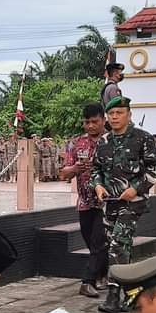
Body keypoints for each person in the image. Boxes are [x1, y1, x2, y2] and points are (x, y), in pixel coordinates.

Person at [91, 97, 156, 313]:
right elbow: (96, 170)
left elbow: (155, 169)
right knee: (120, 246)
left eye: (119, 113)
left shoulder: (142, 139)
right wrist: (98, 187)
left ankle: (113, 295)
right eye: (111, 114)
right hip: (109, 203)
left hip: (132, 202)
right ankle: (133, 291)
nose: (114, 118)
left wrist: (136, 188)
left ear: (128, 115)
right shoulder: (103, 142)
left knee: (118, 244)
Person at [59, 104, 108, 297]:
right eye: (86, 122)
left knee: (98, 241)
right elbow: (64, 173)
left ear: (103, 120)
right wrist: (75, 169)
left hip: (106, 202)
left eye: (94, 122)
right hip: (85, 202)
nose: (90, 126)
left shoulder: (111, 142)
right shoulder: (76, 144)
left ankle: (87, 281)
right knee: (91, 242)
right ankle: (102, 273)